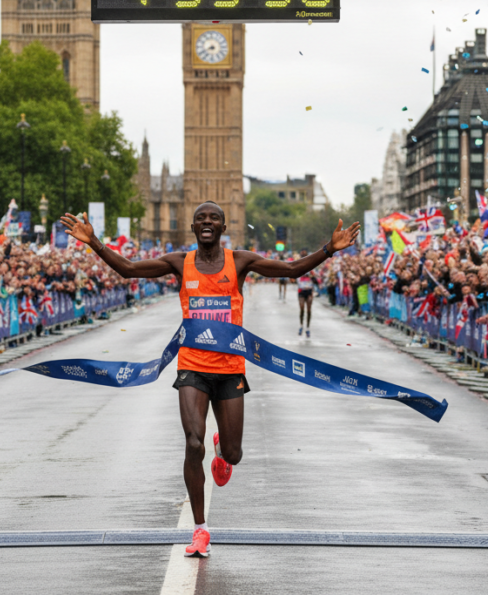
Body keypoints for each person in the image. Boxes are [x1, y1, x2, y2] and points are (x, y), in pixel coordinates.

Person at [60, 202, 359, 559]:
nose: (206, 222)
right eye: (201, 218)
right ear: (193, 227)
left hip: (230, 368)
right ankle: (200, 529)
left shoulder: (240, 261)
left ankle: (222, 451)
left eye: (213, 218)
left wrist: (329, 248)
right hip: (192, 367)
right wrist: (94, 242)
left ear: (222, 227)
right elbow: (129, 269)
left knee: (234, 453)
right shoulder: (179, 262)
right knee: (192, 442)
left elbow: (291, 270)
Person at [297, 266, 315, 338]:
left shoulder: (311, 270)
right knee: (302, 309)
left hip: (309, 291)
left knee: (309, 310)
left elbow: (315, 280)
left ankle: (307, 328)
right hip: (301, 291)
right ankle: (301, 325)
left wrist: (312, 276)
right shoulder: (299, 269)